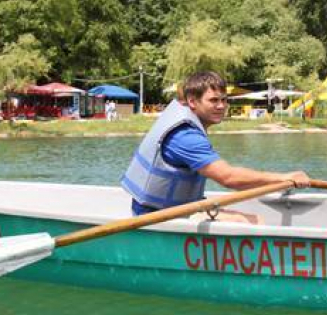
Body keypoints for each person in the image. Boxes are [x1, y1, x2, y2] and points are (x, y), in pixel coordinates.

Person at [122, 71, 310, 223]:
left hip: (170, 209)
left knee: (244, 217)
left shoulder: (186, 121)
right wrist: (284, 178)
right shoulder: (185, 136)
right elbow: (229, 178)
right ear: (192, 102)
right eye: (213, 100)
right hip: (156, 218)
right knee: (254, 222)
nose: (221, 106)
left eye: (224, 99)